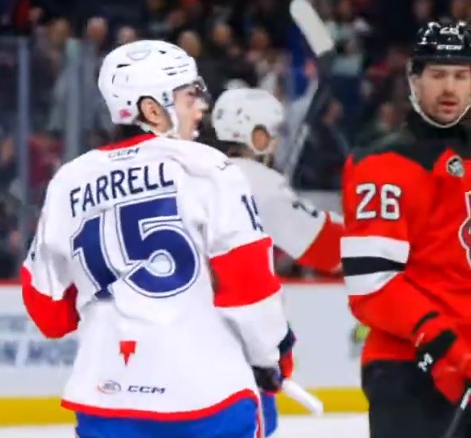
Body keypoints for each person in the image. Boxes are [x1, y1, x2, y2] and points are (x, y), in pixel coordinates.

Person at [21, 40, 290, 438]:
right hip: (207, 400)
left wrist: (103, 289)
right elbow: (250, 286)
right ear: (152, 110)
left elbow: (48, 313)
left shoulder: (69, 181)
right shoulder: (209, 168)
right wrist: (270, 357)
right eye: (189, 96)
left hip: (106, 404)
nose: (201, 107)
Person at [340, 21, 471, 438]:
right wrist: (444, 345)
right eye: (437, 74)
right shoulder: (383, 163)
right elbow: (372, 284)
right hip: (408, 370)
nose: (449, 88)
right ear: (414, 80)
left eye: (461, 75)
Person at [211, 88, 343, 436]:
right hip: (238, 340)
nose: (275, 142)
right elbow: (326, 249)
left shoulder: (197, 172)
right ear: (254, 135)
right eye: (271, 133)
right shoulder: (256, 182)